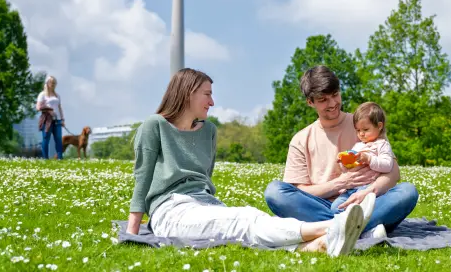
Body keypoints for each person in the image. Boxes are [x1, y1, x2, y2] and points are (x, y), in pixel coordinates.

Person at [126, 68, 375, 257]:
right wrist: (132, 233)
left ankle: (314, 245)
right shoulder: (154, 125)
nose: (212, 102)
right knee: (244, 220)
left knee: (245, 225)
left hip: (206, 203)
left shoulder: (208, 131)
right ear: (187, 93)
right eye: (207, 94)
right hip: (171, 209)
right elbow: (142, 180)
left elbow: (205, 179)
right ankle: (336, 227)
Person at [264, 65, 420, 239]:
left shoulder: (363, 124)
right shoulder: (300, 140)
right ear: (310, 102)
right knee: (274, 192)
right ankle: (355, 228)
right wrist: (340, 183)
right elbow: (300, 192)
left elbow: (394, 172)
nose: (332, 104)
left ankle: (334, 230)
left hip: (366, 201)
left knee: (408, 191)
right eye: (323, 100)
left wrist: (369, 192)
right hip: (322, 206)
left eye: (335, 95)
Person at [330, 102, 397, 222]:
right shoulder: (358, 146)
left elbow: (387, 166)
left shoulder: (382, 145)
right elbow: (349, 170)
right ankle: (350, 225)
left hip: (368, 188)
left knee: (363, 208)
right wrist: (343, 163)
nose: (361, 134)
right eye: (358, 130)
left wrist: (369, 159)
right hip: (350, 189)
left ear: (379, 126)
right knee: (335, 208)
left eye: (366, 129)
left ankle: (359, 223)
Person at [37, 75, 65, 159]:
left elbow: (59, 107)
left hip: (57, 120)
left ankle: (60, 158)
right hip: (47, 120)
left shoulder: (57, 95)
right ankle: (45, 159)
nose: (53, 84)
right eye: (51, 82)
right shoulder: (42, 94)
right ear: (47, 83)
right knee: (46, 139)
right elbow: (38, 107)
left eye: (54, 83)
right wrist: (49, 110)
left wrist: (62, 119)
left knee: (58, 140)